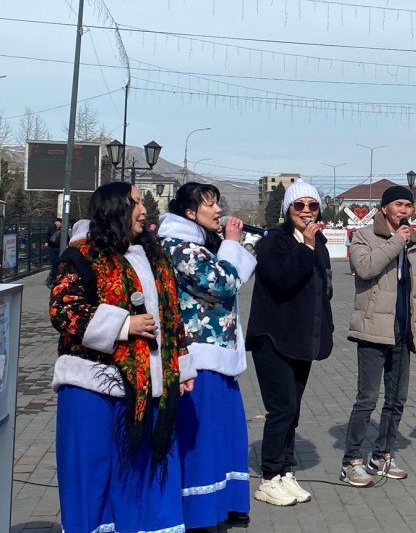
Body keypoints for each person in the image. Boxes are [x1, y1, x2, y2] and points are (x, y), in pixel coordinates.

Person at [48, 182, 196, 533]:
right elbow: (63, 310)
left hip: (150, 386)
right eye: (134, 203)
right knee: (95, 474)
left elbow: (172, 315)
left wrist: (181, 366)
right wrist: (124, 324)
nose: (143, 210)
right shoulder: (83, 255)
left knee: (147, 474)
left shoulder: (154, 256)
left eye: (142, 203)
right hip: (94, 386)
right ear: (113, 209)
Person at [158, 182, 256, 526]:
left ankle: (224, 501)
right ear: (189, 213)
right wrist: (231, 243)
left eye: (218, 203)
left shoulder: (196, 244)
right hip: (198, 356)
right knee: (202, 436)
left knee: (222, 433)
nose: (218, 210)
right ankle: (199, 511)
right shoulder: (179, 246)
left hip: (216, 353)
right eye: (209, 205)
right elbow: (222, 283)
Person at [341, 185, 416, 486]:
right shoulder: (364, 236)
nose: (404, 210)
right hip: (373, 330)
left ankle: (382, 454)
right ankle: (351, 461)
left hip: (403, 332)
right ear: (385, 208)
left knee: (396, 400)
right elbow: (364, 268)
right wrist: (396, 242)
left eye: (408, 206)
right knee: (367, 399)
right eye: (398, 205)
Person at [247, 181, 334, 504]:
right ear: (288, 209)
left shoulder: (318, 242)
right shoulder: (274, 241)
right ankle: (269, 477)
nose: (307, 211)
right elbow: (284, 280)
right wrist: (306, 248)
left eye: (313, 205)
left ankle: (285, 471)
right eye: (300, 205)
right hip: (273, 338)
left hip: (302, 339)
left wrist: (326, 327)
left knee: (293, 410)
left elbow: (323, 288)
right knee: (281, 409)